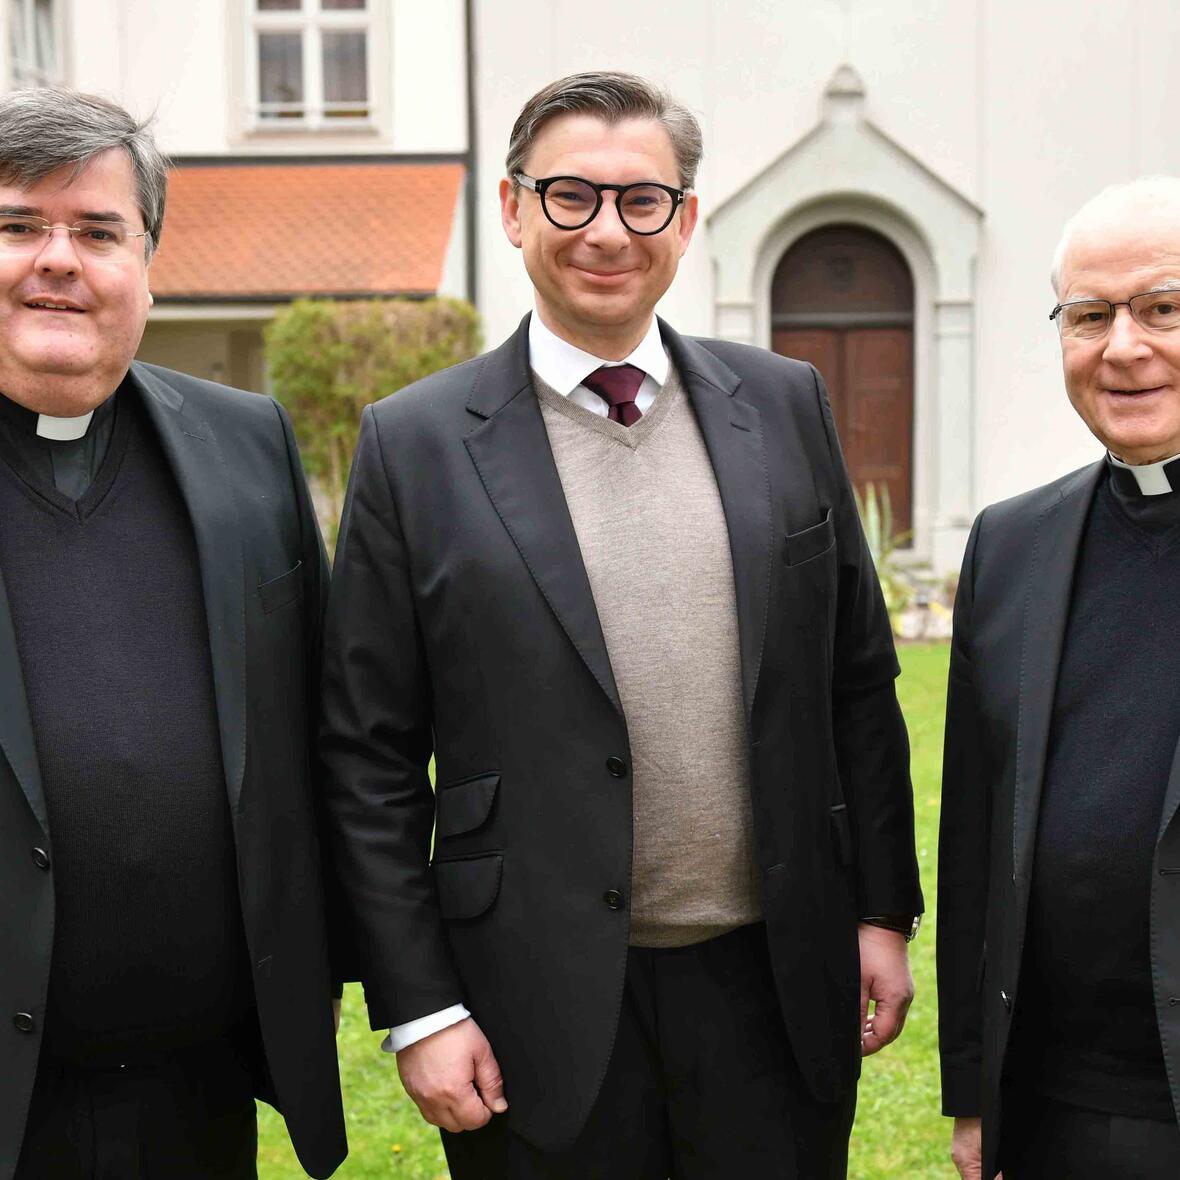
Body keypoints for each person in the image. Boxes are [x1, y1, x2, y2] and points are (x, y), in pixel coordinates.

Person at [321, 71, 922, 1180]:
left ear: (684, 220)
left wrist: (881, 910)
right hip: (528, 1000)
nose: (607, 229)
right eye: (569, 197)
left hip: (771, 990)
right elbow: (367, 754)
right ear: (511, 209)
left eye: (641, 200)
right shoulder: (412, 445)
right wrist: (419, 1006)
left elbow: (855, 676)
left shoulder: (784, 403)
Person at [0, 89, 345, 1180]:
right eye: (16, 227)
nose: (58, 260)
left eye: (98, 231)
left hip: (195, 1094)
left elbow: (332, 731)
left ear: (147, 264)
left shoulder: (247, 447)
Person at [938, 177, 1180, 1180]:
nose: (1123, 346)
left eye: (1163, 308)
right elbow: (972, 836)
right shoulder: (1012, 544)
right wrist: (970, 1089)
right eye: (1089, 316)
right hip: (1057, 1108)